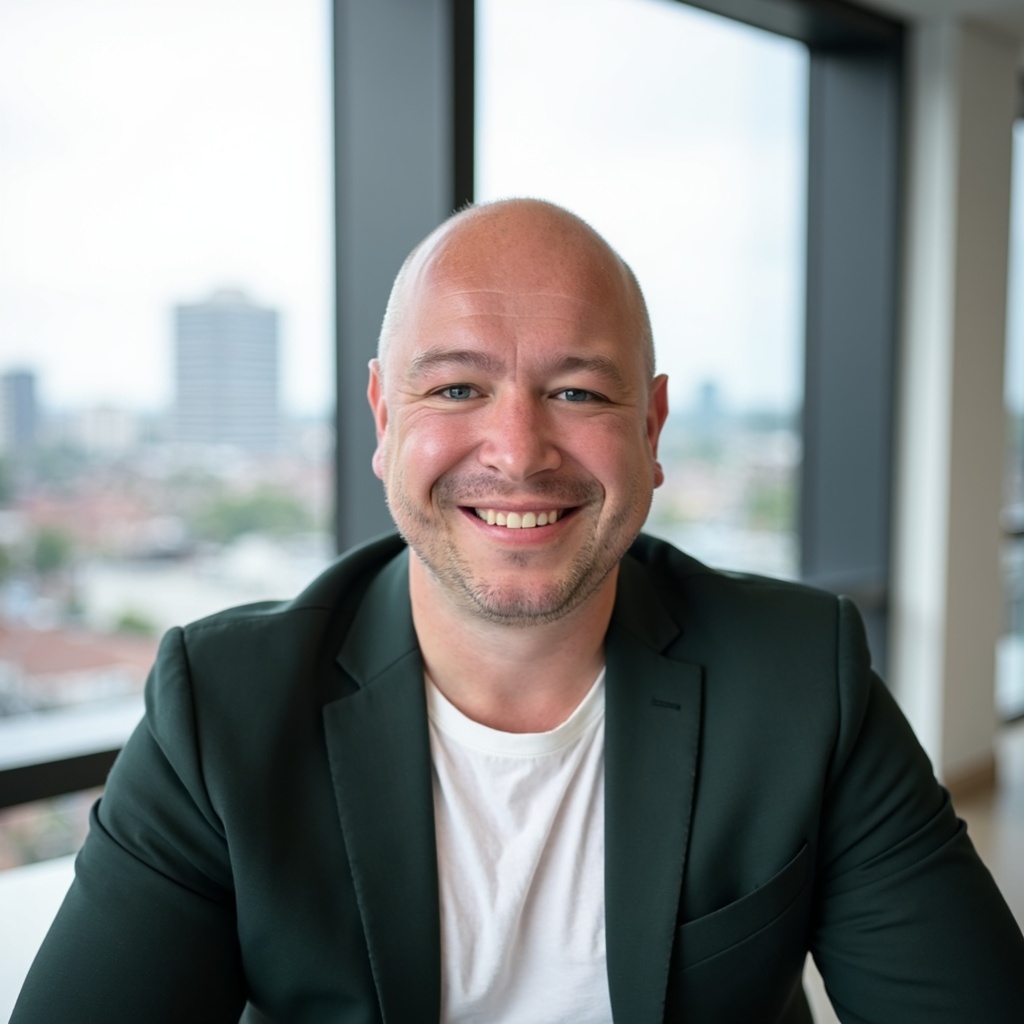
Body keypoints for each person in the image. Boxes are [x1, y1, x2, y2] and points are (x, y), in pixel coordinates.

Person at [11, 199, 1024, 1023]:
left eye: (577, 394)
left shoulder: (803, 677)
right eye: (457, 388)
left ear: (652, 428)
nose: (517, 451)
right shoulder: (221, 708)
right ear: (383, 418)